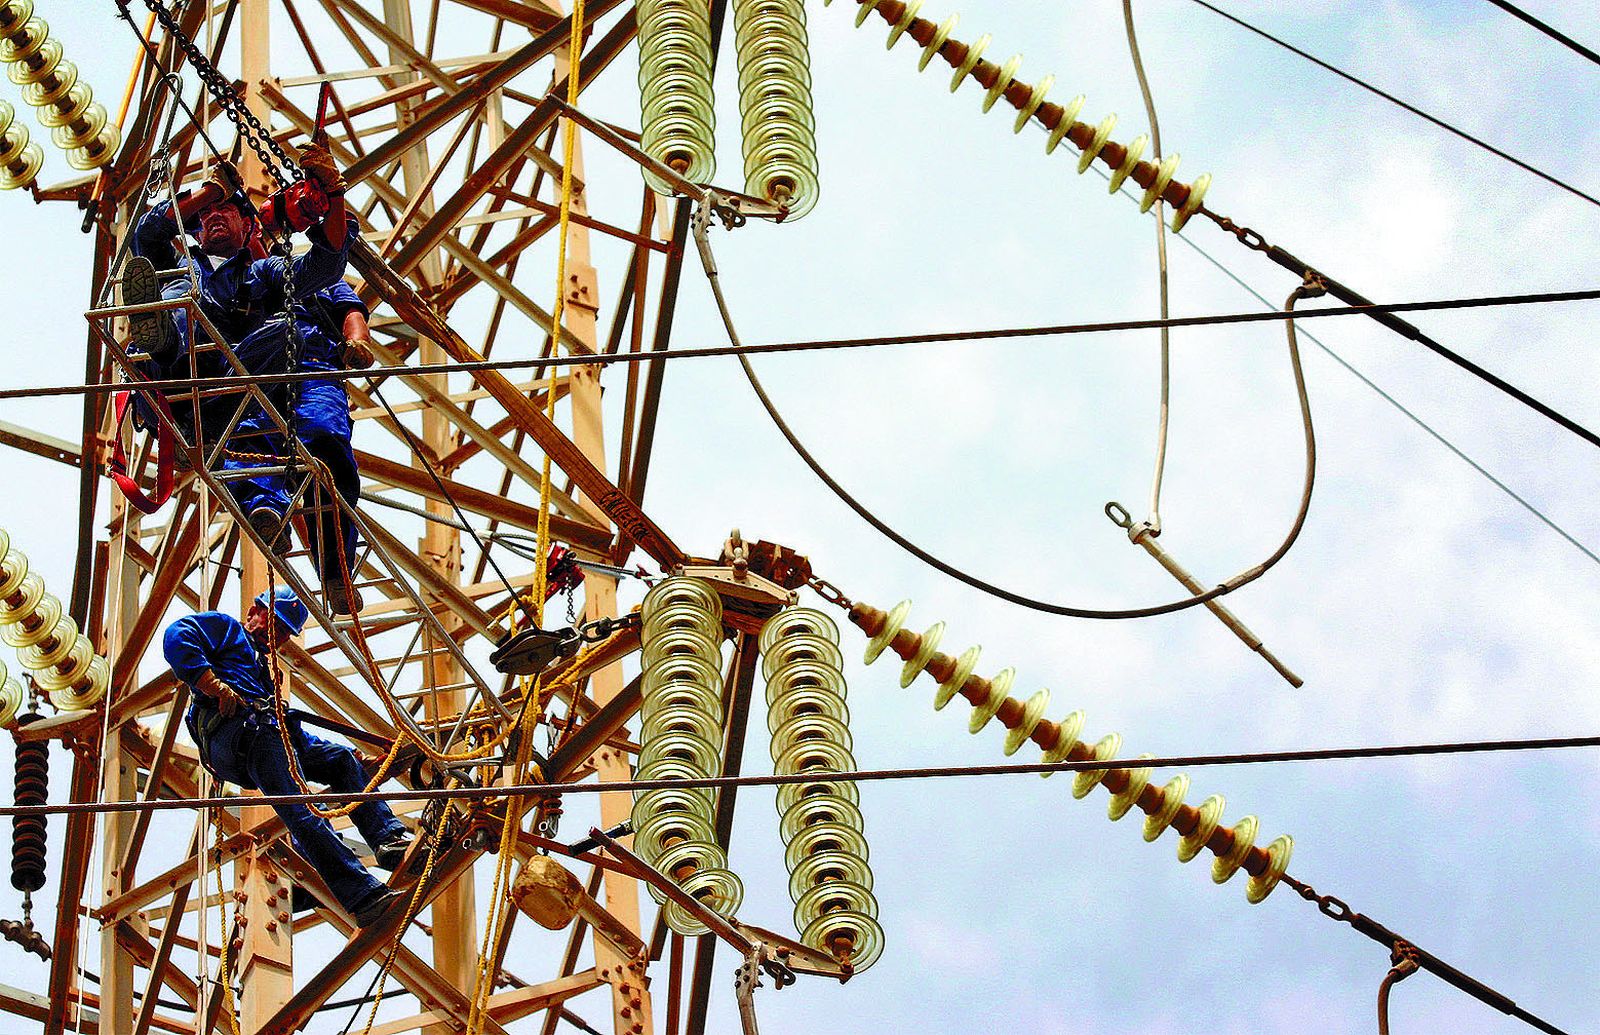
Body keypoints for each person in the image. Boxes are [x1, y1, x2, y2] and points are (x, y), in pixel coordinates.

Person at [162, 586, 411, 927]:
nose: (274, 634)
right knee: (305, 809)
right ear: (255, 611)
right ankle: (362, 895)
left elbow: (293, 736)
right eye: (272, 622)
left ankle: (386, 841)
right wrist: (211, 684)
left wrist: (352, 758)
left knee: (339, 761)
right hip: (242, 735)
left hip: (266, 733)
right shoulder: (228, 629)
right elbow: (178, 635)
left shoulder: (265, 672)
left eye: (282, 632)